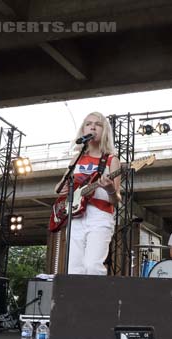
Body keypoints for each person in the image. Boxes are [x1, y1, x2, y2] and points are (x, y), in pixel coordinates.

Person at [55, 112, 121, 275]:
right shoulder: (77, 158)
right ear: (83, 130)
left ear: (104, 131)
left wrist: (110, 189)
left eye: (98, 124)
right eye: (88, 123)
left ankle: (96, 300)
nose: (93, 127)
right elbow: (58, 187)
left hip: (100, 215)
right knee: (73, 268)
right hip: (76, 216)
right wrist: (61, 189)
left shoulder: (112, 160)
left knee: (92, 266)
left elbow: (116, 199)